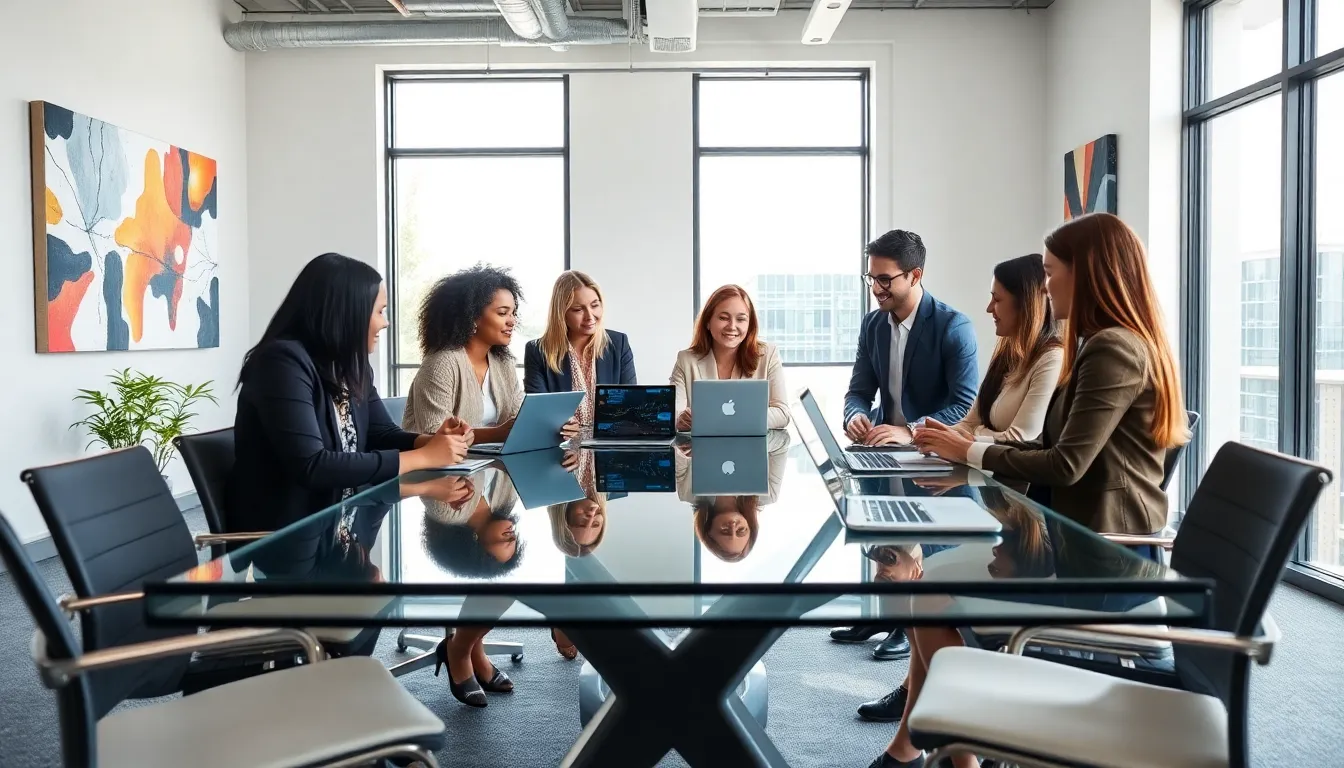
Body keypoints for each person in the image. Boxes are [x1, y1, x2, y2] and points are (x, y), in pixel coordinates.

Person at [910, 213, 1188, 541]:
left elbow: (1066, 465)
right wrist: (960, 444)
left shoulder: (1113, 348)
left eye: (1049, 273)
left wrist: (967, 450)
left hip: (1108, 543)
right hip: (1080, 530)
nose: (1044, 287)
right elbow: (1048, 444)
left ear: (1083, 275)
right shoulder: (1101, 344)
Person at [228, 253, 471, 534]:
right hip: (286, 536)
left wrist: (432, 443)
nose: (386, 323)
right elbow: (313, 465)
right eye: (379, 311)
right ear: (347, 312)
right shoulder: (281, 362)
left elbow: (379, 434)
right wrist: (425, 457)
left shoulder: (351, 366)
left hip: (340, 520)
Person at [832, 229, 979, 661]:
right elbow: (858, 390)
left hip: (932, 461)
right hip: (885, 453)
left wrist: (910, 430)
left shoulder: (953, 327)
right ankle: (886, 615)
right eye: (871, 278)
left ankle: (908, 626)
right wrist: (854, 415)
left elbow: (964, 404)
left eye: (885, 280)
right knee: (882, 537)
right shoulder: (874, 325)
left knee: (919, 553)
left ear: (915, 275)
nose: (876, 288)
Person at [411, 470, 523, 708]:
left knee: (509, 582)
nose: (512, 534)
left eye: (506, 541)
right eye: (510, 541)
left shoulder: (502, 504)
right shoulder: (450, 509)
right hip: (445, 525)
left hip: (470, 535)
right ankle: (460, 650)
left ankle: (469, 645)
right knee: (503, 585)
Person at [402, 265, 531, 444]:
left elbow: (518, 417)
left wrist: (552, 426)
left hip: (490, 465)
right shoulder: (441, 364)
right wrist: (495, 434)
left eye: (513, 313)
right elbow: (433, 433)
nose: (512, 321)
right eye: (502, 313)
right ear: (472, 317)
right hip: (438, 469)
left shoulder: (504, 363)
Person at [524, 270, 637, 427]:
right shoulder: (538, 351)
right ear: (561, 313)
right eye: (578, 309)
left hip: (609, 445)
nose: (590, 316)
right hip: (561, 446)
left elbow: (631, 405)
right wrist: (561, 424)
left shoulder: (618, 343)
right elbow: (538, 413)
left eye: (595, 305)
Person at [670, 284, 790, 432]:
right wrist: (680, 420)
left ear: (749, 325)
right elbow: (673, 414)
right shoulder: (686, 360)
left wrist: (723, 419)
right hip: (703, 451)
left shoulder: (768, 354)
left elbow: (782, 413)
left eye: (741, 319)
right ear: (708, 321)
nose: (732, 326)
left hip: (752, 450)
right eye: (723, 318)